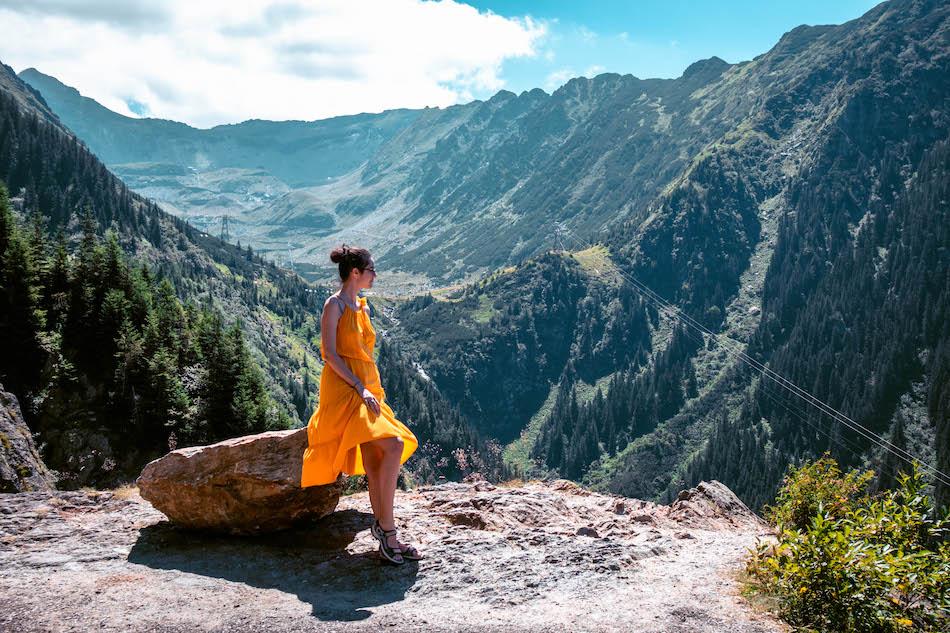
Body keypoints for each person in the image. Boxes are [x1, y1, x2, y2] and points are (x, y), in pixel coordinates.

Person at [300, 244, 421, 564]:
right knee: (394, 444)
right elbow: (329, 354)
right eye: (371, 270)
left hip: (367, 386)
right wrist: (358, 387)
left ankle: (385, 532)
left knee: (375, 458)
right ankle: (388, 531)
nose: (375, 275)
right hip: (345, 389)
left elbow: (365, 353)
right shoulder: (334, 305)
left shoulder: (363, 306)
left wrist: (369, 388)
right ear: (355, 273)